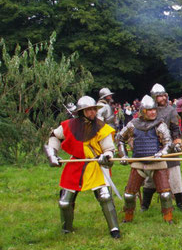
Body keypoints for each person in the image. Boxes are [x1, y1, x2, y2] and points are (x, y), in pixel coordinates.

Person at [43, 96, 120, 238]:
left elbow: (109, 148)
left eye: (93, 109)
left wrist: (106, 156)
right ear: (81, 111)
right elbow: (54, 136)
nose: (92, 112)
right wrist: (52, 155)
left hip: (95, 164)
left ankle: (114, 229)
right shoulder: (69, 125)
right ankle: (66, 229)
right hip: (76, 164)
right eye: (89, 110)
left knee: (105, 196)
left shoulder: (101, 127)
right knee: (65, 202)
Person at [116, 95, 174, 224]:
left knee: (165, 194)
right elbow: (120, 139)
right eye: (150, 110)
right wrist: (124, 155)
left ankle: (168, 218)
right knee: (129, 194)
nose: (153, 112)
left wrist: (162, 152)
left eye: (154, 109)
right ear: (143, 111)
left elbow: (168, 143)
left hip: (157, 162)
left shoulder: (160, 125)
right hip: (138, 162)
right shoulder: (132, 125)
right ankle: (128, 217)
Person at [141, 84, 182, 212]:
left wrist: (177, 141)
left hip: (169, 147)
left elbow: (175, 129)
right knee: (150, 178)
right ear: (154, 97)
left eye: (163, 95)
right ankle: (145, 206)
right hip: (153, 147)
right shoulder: (149, 110)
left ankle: (181, 205)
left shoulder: (170, 110)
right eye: (158, 96)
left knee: (175, 177)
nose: (161, 98)